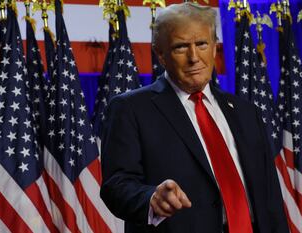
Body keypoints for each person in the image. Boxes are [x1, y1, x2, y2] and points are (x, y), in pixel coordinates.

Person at [100, 2, 289, 233]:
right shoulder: (130, 109)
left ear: (213, 48)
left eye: (201, 44)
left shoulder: (245, 112)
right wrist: (150, 198)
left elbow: (269, 194)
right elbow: (116, 185)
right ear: (160, 54)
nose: (194, 57)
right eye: (181, 47)